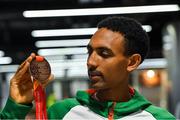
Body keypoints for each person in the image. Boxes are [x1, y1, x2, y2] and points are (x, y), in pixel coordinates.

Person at [0, 16, 175, 119]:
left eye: (104, 53)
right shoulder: (61, 113)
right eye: (89, 52)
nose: (90, 62)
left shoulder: (159, 118)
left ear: (132, 62)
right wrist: (16, 106)